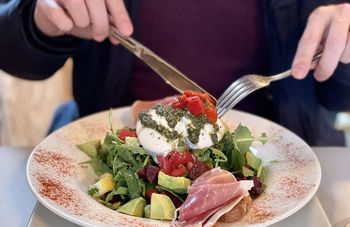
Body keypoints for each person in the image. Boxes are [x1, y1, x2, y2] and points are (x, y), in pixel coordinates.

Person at [0, 0, 350, 145]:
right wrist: (37, 20)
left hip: (291, 148)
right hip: (100, 136)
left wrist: (343, 50)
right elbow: (11, 48)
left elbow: (339, 95)